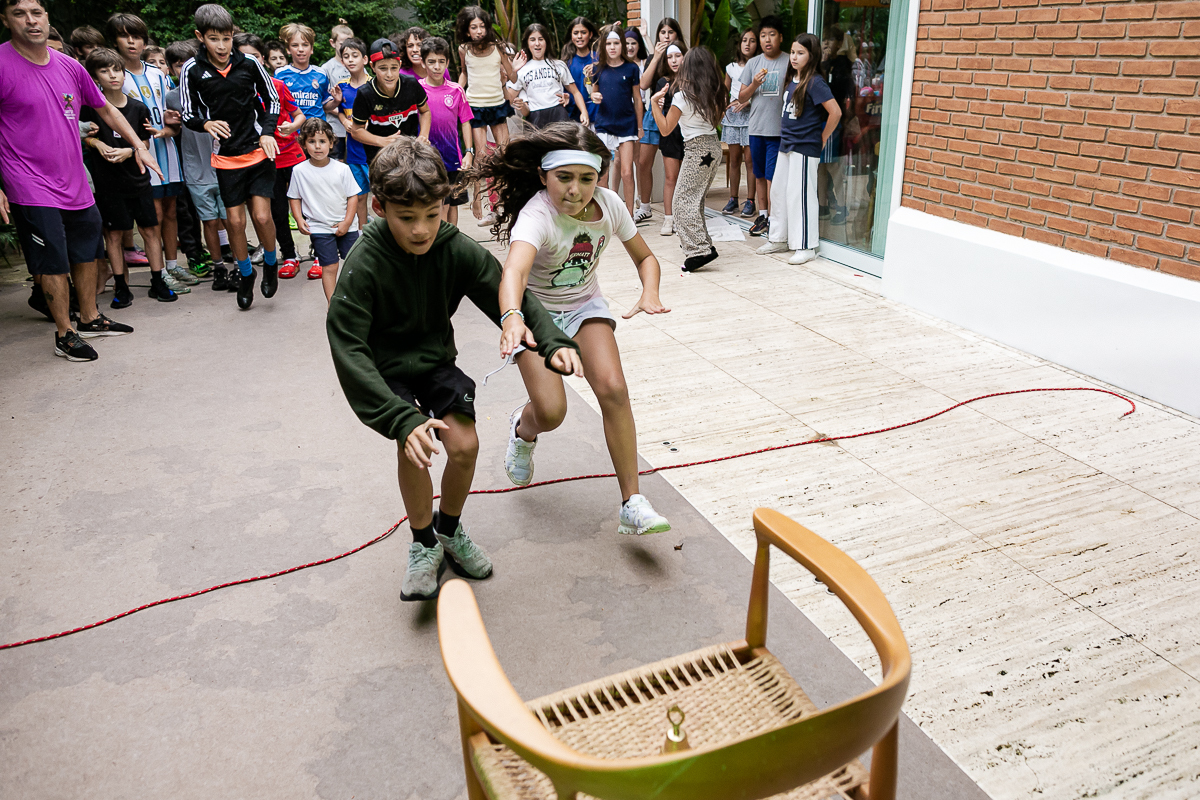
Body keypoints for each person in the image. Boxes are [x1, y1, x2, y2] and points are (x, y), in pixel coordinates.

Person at [327, 137, 582, 601]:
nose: (422, 229)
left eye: (432, 214)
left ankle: (449, 530)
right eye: (408, 218)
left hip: (435, 362)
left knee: (465, 445)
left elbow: (510, 294)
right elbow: (348, 347)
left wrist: (551, 341)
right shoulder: (363, 263)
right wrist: (402, 420)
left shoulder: (452, 246)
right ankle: (423, 545)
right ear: (380, 208)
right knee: (417, 447)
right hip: (386, 372)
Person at [471, 122, 672, 536]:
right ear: (544, 176)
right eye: (564, 177)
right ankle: (522, 430)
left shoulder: (611, 205)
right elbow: (514, 270)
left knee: (614, 389)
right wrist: (511, 316)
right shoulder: (538, 214)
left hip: (584, 306)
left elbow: (646, 258)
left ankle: (631, 503)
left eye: (587, 178)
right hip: (536, 312)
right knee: (552, 411)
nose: (576, 190)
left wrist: (649, 291)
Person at [1, 0, 151, 361]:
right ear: (5, 20)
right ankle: (65, 334)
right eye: (20, 14)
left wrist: (137, 145)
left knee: (88, 249)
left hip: (74, 179)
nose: (31, 21)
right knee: (53, 257)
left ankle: (90, 318)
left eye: (36, 13)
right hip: (27, 181)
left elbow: (106, 108)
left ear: (47, 18)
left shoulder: (69, 66)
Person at [179, 2, 281, 310]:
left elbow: (272, 100)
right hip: (225, 159)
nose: (222, 45)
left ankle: (272, 263)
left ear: (233, 35)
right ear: (200, 37)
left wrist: (267, 132)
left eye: (226, 37)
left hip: (258, 152)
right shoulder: (192, 69)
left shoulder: (249, 63)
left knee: (262, 216)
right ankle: (246, 273)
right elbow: (186, 112)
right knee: (234, 223)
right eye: (214, 38)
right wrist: (205, 123)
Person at [80, 47, 179, 305]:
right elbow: (83, 136)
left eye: (117, 70)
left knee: (150, 229)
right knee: (113, 235)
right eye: (104, 71)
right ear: (94, 76)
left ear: (124, 75)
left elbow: (144, 143)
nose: (112, 75)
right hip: (108, 183)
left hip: (138, 180)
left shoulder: (138, 108)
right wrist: (97, 144)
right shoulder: (89, 108)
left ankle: (158, 281)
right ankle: (121, 287)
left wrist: (129, 150)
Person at [108, 13, 193, 295]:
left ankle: (171, 265)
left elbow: (172, 112)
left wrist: (171, 128)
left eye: (137, 36)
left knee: (171, 209)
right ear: (115, 40)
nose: (132, 42)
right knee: (152, 214)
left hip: (167, 150)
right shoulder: (114, 76)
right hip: (139, 154)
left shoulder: (158, 73)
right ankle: (158, 272)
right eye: (124, 36)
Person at [756, 34, 841, 265]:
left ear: (811, 56)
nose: (794, 57)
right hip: (787, 144)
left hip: (804, 147)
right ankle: (779, 238)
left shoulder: (815, 82)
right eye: (792, 52)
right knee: (779, 192)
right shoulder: (792, 79)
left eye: (800, 53)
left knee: (799, 195)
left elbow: (836, 112)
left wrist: (823, 138)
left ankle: (806, 245)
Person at [234, 32, 308, 281]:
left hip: (293, 155)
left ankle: (320, 251)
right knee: (277, 211)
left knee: (308, 205)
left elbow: (299, 115)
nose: (249, 62)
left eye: (254, 57)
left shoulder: (277, 85)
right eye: (243, 57)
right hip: (265, 159)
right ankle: (289, 255)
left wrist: (292, 127)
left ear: (263, 60)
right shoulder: (236, 91)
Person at [650, 47, 724, 273]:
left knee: (681, 202)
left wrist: (654, 104)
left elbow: (664, 129)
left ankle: (699, 250)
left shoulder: (682, 97)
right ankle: (702, 245)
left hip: (697, 150)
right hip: (713, 146)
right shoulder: (714, 92)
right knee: (695, 200)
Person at [165, 40, 230, 287]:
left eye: (188, 63)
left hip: (223, 163)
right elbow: (169, 126)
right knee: (209, 221)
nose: (184, 69)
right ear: (172, 69)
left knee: (232, 219)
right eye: (178, 65)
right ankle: (219, 266)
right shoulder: (172, 98)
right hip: (195, 168)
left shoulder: (214, 87)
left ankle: (239, 264)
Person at [455, 6, 516, 224]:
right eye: (474, 27)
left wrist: (507, 73)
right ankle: (479, 201)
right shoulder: (464, 49)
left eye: (482, 26)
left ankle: (502, 204)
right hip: (475, 106)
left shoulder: (498, 47)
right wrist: (457, 92)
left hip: (497, 104)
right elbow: (464, 72)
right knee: (481, 157)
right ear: (467, 29)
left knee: (504, 155)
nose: (479, 31)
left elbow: (513, 77)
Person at [288, 119, 359, 300]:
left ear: (331, 143)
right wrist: (298, 219)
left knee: (354, 264)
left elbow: (353, 197)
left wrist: (347, 222)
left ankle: (356, 300)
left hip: (347, 226)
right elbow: (294, 197)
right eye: (311, 141)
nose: (317, 146)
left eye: (322, 141)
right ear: (303, 144)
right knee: (329, 266)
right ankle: (332, 303)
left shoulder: (342, 169)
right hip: (320, 227)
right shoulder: (299, 171)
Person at [738, 15, 787, 237]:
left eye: (772, 35)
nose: (768, 40)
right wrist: (755, 84)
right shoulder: (753, 63)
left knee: (772, 176)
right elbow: (741, 97)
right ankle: (764, 215)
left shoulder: (789, 61)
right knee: (759, 174)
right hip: (756, 128)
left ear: (781, 38)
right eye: (763, 36)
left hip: (778, 131)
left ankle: (775, 217)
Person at [350, 38, 431, 166]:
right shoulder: (365, 94)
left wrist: (423, 136)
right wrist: (382, 141)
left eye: (394, 68)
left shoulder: (411, 84)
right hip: (380, 158)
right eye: (383, 68)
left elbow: (425, 111)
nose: (389, 74)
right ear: (372, 67)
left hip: (410, 155)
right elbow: (356, 131)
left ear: (399, 64)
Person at [589, 24, 642, 214]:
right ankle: (604, 212)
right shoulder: (598, 69)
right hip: (604, 125)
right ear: (604, 46)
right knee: (603, 172)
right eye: (609, 43)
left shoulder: (632, 68)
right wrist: (594, 97)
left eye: (616, 43)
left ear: (622, 45)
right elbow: (593, 94)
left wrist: (640, 127)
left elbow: (637, 98)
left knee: (627, 172)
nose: (612, 47)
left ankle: (629, 214)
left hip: (627, 125)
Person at [633, 17, 683, 224]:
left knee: (677, 169)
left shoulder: (682, 58)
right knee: (644, 162)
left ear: (677, 35)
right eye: (663, 32)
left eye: (670, 32)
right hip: (654, 115)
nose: (667, 36)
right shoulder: (656, 57)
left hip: (678, 117)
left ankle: (678, 212)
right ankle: (645, 207)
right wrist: (656, 55)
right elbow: (643, 84)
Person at [419, 37, 473, 226]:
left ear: (448, 63)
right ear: (423, 62)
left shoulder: (457, 90)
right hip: (428, 157)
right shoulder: (417, 89)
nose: (436, 67)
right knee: (439, 202)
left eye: (441, 61)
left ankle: (452, 239)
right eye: (432, 61)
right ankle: (439, 241)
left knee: (453, 203)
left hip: (453, 157)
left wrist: (469, 152)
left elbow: (466, 122)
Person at [506, 24, 588, 129]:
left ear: (546, 42)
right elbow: (509, 98)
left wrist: (584, 112)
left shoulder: (558, 65)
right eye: (532, 39)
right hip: (535, 117)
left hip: (558, 115)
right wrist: (513, 71)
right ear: (527, 43)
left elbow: (575, 92)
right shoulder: (522, 70)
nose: (537, 43)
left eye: (541, 39)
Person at [648, 42, 685, 236]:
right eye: (670, 57)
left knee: (686, 179)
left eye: (677, 56)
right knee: (671, 177)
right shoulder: (662, 82)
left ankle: (683, 218)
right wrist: (659, 103)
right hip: (669, 133)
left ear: (684, 57)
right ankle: (668, 218)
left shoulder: (691, 79)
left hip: (689, 133)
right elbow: (657, 110)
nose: (674, 61)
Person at [721, 28, 758, 218]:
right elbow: (725, 91)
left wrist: (747, 101)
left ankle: (750, 200)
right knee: (734, 160)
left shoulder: (760, 65)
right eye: (745, 40)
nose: (748, 44)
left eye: (752, 41)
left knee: (750, 160)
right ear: (739, 44)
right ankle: (733, 199)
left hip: (752, 116)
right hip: (733, 118)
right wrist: (723, 106)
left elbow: (761, 91)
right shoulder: (731, 67)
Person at [336, 37, 371, 231]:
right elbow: (340, 110)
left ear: (365, 59)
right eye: (346, 56)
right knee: (359, 195)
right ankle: (362, 231)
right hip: (354, 153)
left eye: (355, 56)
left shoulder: (374, 84)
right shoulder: (342, 86)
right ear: (342, 61)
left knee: (382, 195)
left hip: (373, 152)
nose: (350, 60)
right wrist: (344, 122)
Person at [275, 23, 340, 125]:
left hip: (317, 131)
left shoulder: (321, 74)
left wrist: (336, 101)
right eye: (295, 45)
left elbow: (325, 105)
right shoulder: (280, 74)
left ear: (312, 49)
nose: (300, 49)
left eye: (305, 45)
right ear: (288, 49)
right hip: (292, 133)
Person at [321, 19, 354, 160]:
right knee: (337, 162)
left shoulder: (358, 66)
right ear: (332, 43)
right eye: (342, 44)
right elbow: (324, 103)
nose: (346, 48)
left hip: (357, 126)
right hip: (336, 128)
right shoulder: (326, 69)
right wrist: (345, 115)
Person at [560, 16, 598, 125]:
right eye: (576, 33)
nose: (579, 36)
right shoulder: (566, 62)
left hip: (599, 116)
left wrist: (598, 67)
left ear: (590, 35)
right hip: (576, 118)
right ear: (571, 36)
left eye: (583, 32)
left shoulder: (599, 58)